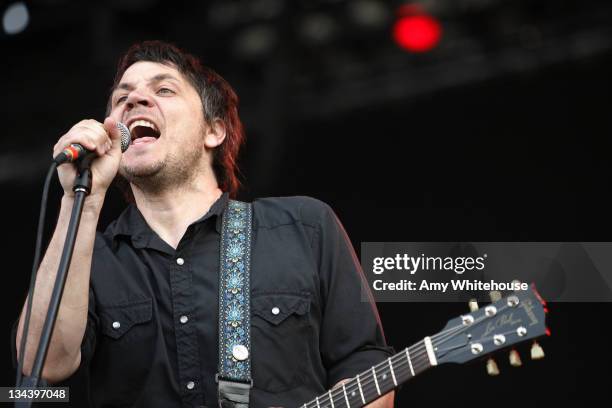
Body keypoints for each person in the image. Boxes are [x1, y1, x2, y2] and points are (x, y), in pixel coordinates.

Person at [12, 41, 395, 408]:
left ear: (214, 131)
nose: (134, 100)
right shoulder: (90, 261)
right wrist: (82, 200)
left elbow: (363, 361)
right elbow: (41, 364)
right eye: (121, 97)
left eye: (164, 89)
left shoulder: (304, 226)